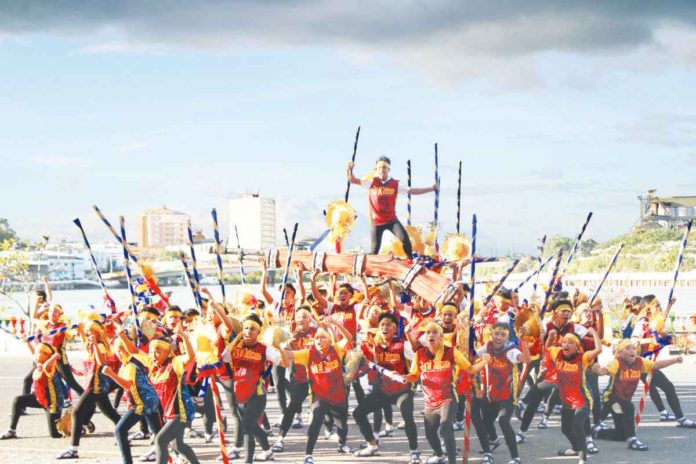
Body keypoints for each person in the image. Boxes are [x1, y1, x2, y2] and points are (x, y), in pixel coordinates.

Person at [404, 321, 489, 464]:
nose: (431, 335)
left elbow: (470, 369)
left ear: (441, 336)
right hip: (430, 402)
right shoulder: (420, 354)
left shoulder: (451, 351)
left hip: (448, 398)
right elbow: (413, 375)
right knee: (430, 434)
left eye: (435, 332)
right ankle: (439, 455)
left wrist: (484, 361)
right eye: (428, 332)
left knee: (445, 426)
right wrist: (404, 377)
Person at [280, 318, 355, 464]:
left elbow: (349, 338)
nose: (319, 340)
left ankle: (342, 444)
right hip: (318, 396)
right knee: (316, 421)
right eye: (316, 338)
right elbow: (288, 355)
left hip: (338, 395)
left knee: (342, 425)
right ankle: (308, 455)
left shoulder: (337, 350)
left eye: (323, 337)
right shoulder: (308, 353)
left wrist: (335, 324)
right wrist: (277, 345)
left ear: (329, 340)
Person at [353, 312, 421, 463]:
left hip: (401, 391)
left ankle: (414, 451)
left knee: (408, 417)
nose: (385, 327)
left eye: (389, 324)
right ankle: (372, 445)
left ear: (395, 328)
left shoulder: (402, 345)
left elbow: (418, 361)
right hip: (382, 390)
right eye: (382, 324)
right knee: (358, 413)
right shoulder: (374, 347)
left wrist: (409, 377)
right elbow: (365, 364)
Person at [592, 339, 684, 450]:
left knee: (621, 435)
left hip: (624, 399)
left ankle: (597, 432)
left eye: (634, 349)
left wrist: (674, 360)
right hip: (612, 398)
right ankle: (633, 440)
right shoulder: (616, 362)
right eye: (628, 348)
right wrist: (596, 369)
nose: (632, 351)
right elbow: (603, 371)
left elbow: (655, 365)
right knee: (629, 407)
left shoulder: (640, 362)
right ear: (620, 352)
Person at [347, 155, 437, 257]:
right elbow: (352, 180)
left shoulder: (395, 183)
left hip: (391, 221)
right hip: (376, 223)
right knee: (374, 250)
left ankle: (410, 261)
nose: (382, 170)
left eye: (384, 167)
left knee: (406, 241)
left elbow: (412, 191)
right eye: (379, 168)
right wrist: (350, 169)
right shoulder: (371, 182)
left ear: (388, 169)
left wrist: (431, 189)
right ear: (376, 169)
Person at [57, 319, 121, 460]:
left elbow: (100, 361)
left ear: (97, 332)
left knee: (77, 413)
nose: (87, 333)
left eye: (90, 330)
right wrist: (81, 331)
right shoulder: (93, 344)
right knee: (111, 413)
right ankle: (123, 436)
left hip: (96, 386)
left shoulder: (100, 345)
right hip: (96, 385)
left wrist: (94, 343)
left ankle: (73, 449)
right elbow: (86, 344)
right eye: (87, 330)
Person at [223, 314, 283, 463]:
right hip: (240, 392)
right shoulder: (236, 347)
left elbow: (278, 359)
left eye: (253, 329)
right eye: (246, 328)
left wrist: (275, 346)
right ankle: (267, 451)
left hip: (257, 391)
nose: (248, 332)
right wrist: (237, 339)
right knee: (252, 427)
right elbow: (224, 358)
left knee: (247, 427)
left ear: (259, 332)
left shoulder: (264, 348)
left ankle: (248, 461)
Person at [545, 327, 602, 464]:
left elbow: (598, 350)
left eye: (570, 343)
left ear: (577, 347)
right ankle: (576, 448)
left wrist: (594, 333)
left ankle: (582, 459)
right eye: (564, 342)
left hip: (583, 399)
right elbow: (547, 348)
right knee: (565, 428)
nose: (566, 345)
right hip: (567, 400)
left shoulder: (582, 357)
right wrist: (551, 337)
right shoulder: (558, 353)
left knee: (577, 425)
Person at [476, 321, 530, 464]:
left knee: (503, 421)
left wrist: (522, 340)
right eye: (496, 334)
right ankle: (494, 440)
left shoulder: (511, 350)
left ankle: (515, 458)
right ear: (491, 334)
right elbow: (472, 356)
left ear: (507, 338)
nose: (499, 337)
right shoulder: (487, 346)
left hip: (507, 394)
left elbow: (525, 359)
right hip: (490, 393)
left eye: (503, 335)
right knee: (485, 421)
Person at [149, 334, 200, 464]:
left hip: (181, 412)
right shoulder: (155, 369)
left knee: (160, 440)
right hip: (169, 414)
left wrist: (183, 337)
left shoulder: (174, 363)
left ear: (167, 352)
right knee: (177, 445)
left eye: (157, 352)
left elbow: (191, 357)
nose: (153, 355)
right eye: (151, 352)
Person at [1, 342, 64, 439]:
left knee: (55, 434)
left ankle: (75, 425)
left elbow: (47, 363)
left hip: (52, 404)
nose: (35, 355)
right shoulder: (40, 362)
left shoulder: (49, 365)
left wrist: (55, 356)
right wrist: (27, 342)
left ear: (46, 355)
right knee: (17, 400)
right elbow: (35, 354)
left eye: (38, 353)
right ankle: (11, 431)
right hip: (40, 398)